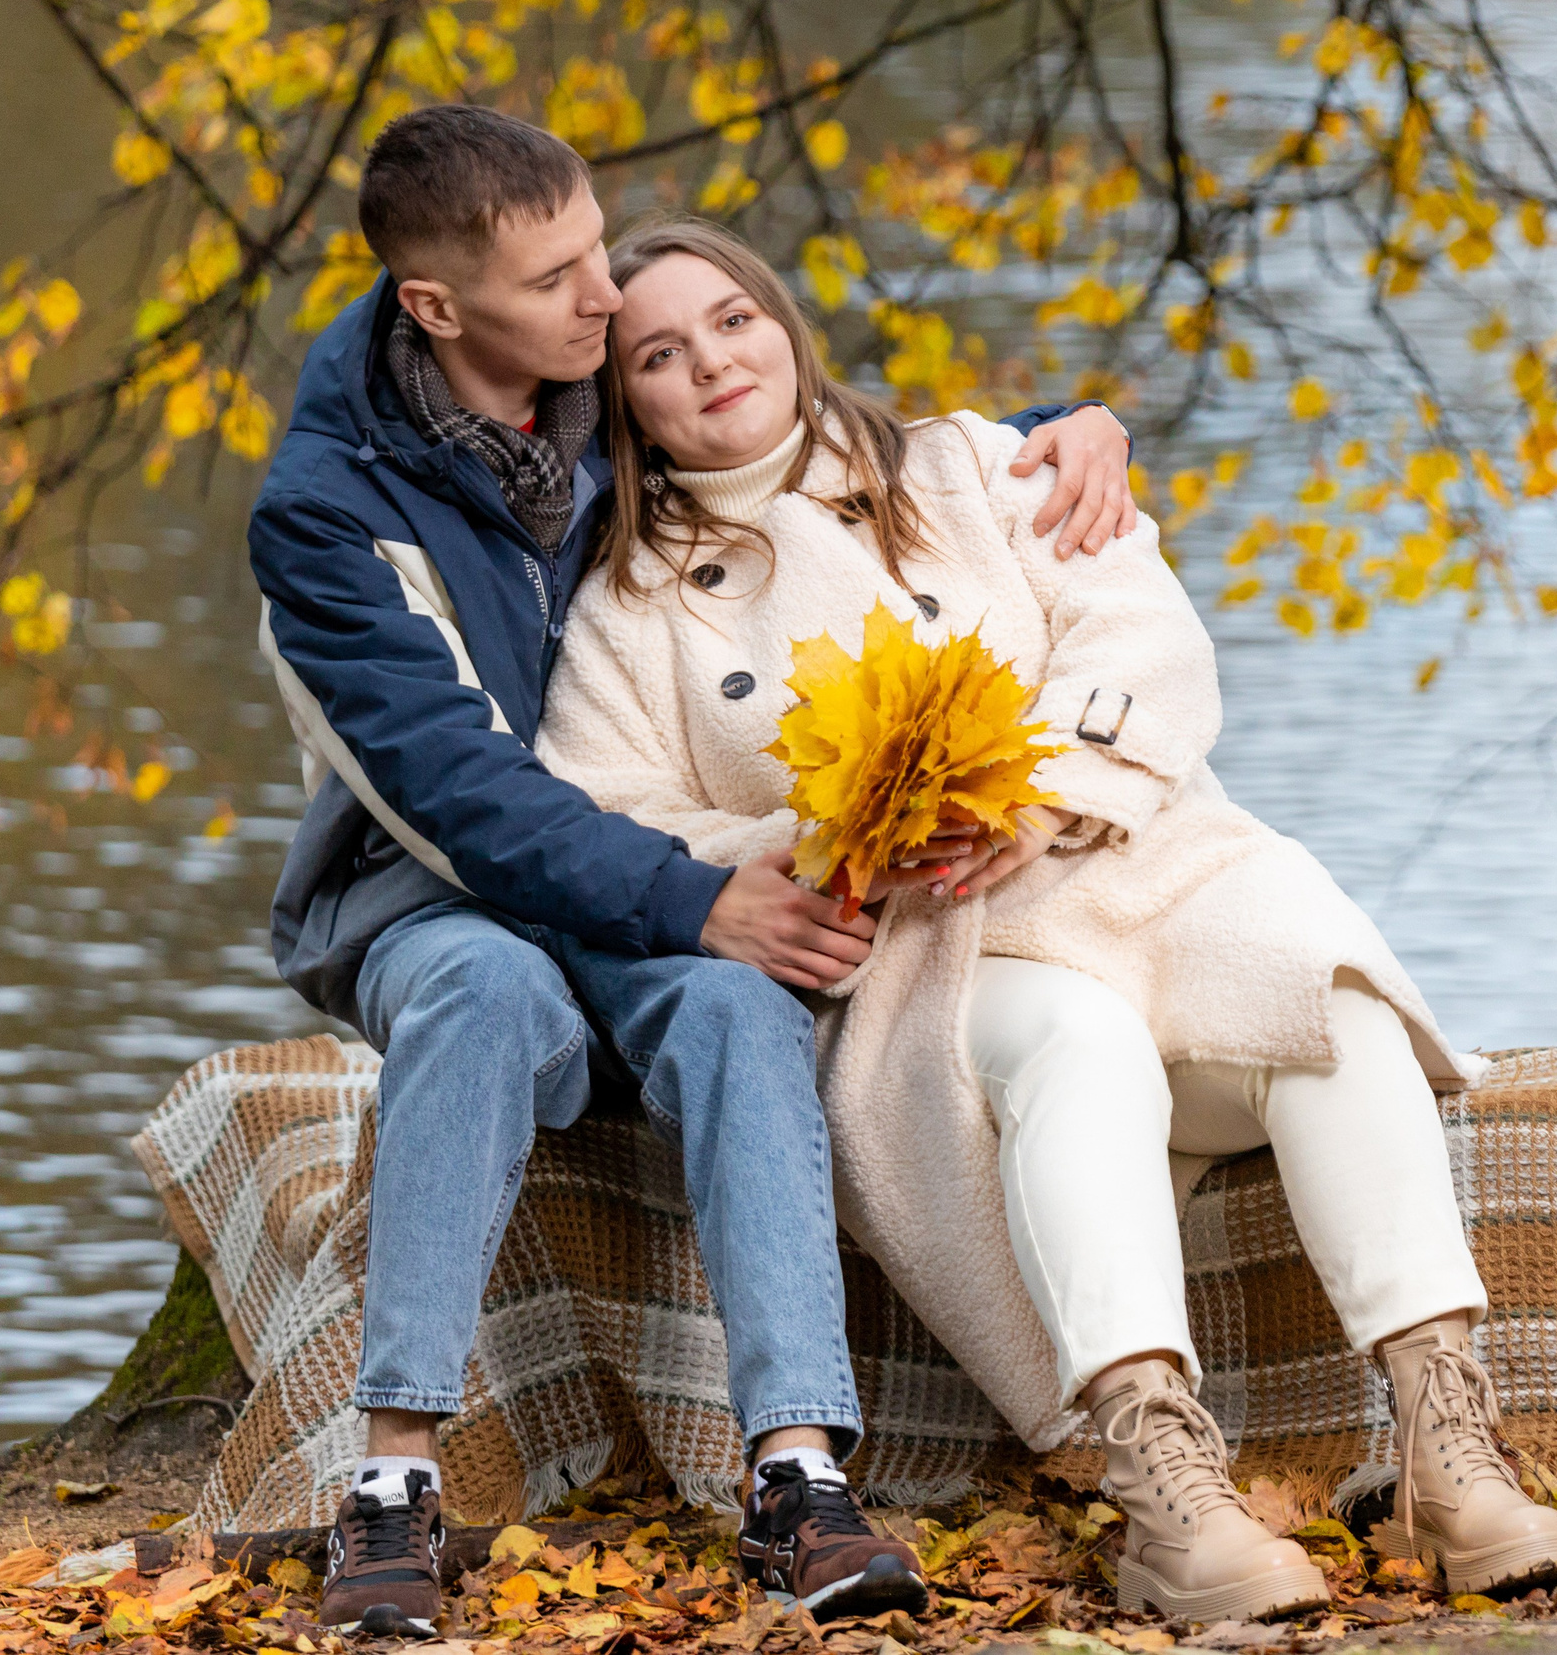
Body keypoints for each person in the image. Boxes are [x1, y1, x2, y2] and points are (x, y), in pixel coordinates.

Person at [533, 216, 1557, 1625]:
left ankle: (1447, 1446)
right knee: (1082, 1043)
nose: (713, 364)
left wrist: (1034, 793)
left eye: (733, 319)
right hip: (933, 956)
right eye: (660, 354)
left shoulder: (966, 463)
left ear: (781, 317)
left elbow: (1136, 625)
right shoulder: (629, 599)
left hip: (1133, 865)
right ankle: (1166, 1484)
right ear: (627, 403)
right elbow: (612, 809)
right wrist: (833, 839)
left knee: (1323, 991)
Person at [247, 107, 1141, 1636]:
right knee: (476, 986)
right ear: (438, 310)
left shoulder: (587, 373)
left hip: (638, 867)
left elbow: (813, 418)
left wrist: (1072, 421)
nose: (607, 300)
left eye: (601, 249)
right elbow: (460, 795)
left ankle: (797, 1475)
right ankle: (391, 1478)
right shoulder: (327, 515)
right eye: (560, 278)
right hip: (437, 892)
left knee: (733, 1014)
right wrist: (698, 900)